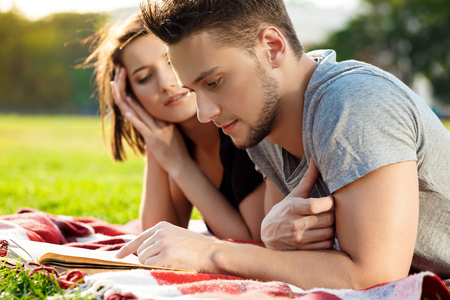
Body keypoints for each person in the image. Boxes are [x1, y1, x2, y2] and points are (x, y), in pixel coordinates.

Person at [115, 0, 450, 291]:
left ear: (272, 47)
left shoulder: (353, 103)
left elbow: (370, 278)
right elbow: (277, 252)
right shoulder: (261, 127)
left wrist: (211, 253)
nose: (204, 113)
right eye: (192, 90)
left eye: (214, 82)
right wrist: (271, 238)